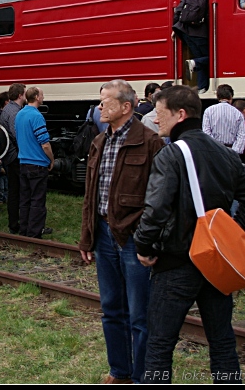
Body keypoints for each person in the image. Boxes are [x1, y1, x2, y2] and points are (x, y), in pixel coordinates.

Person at [134, 86, 245, 383]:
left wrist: (143, 244)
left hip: (175, 263)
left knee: (159, 345)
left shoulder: (170, 154)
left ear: (180, 115)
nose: (156, 120)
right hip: (215, 261)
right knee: (222, 342)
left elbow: (155, 210)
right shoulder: (225, 152)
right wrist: (232, 230)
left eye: (161, 113)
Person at [79, 80, 163, 384]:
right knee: (112, 308)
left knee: (140, 315)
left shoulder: (151, 142)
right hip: (103, 233)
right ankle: (120, 371)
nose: (100, 107)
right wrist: (87, 236)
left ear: (126, 107)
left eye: (106, 102)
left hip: (132, 238)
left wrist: (147, 239)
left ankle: (141, 377)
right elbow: (91, 195)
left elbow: (158, 198)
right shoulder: (100, 142)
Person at [15, 86, 53, 238]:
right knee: (37, 200)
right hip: (37, 164)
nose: (43, 97)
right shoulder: (36, 116)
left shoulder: (19, 114)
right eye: (42, 95)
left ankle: (23, 229)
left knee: (25, 199)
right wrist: (51, 159)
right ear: (37, 97)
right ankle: (34, 233)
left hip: (23, 161)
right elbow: (44, 143)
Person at [0, 83, 26, 234]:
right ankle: (16, 223)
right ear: (20, 95)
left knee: (13, 190)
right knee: (17, 190)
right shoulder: (15, 112)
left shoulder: (7, 109)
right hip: (15, 155)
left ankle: (14, 223)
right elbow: (16, 134)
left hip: (9, 154)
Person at [172, 0, 209, 93]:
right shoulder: (207, 0)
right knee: (210, 59)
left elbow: (177, 12)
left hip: (185, 32)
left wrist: (174, 28)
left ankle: (202, 87)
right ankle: (195, 64)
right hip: (201, 34)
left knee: (200, 57)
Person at [202, 84, 245, 155]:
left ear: (217, 96)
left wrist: (214, 148)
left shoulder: (208, 111)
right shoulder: (238, 114)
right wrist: (234, 152)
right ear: (231, 97)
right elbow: (241, 135)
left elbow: (206, 133)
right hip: (231, 151)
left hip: (214, 153)